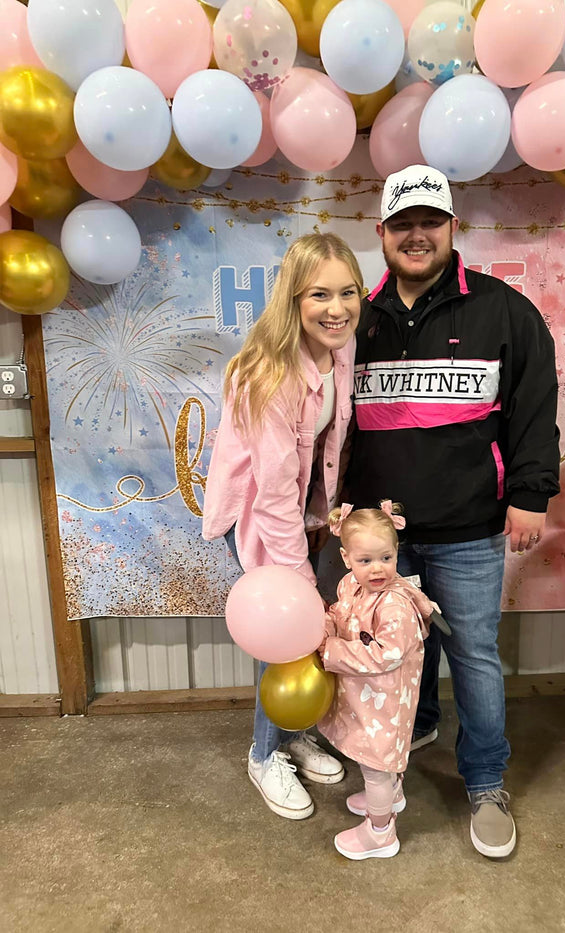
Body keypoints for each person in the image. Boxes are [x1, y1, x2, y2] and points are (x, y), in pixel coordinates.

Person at [345, 164, 561, 858]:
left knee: (472, 652)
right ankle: (415, 730)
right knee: (393, 651)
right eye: (402, 224)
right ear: (380, 233)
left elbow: (534, 407)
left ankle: (486, 780)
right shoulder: (356, 320)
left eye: (429, 222)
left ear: (451, 229)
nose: (417, 235)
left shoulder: (503, 310)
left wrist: (530, 495)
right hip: (381, 538)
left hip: (469, 525)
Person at [202, 232, 364, 820]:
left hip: (301, 513)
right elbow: (270, 489)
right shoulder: (266, 372)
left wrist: (324, 515)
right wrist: (297, 574)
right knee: (288, 634)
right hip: (257, 516)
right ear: (292, 299)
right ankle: (264, 753)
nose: (337, 308)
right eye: (319, 294)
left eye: (348, 293)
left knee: (309, 635)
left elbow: (325, 453)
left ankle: (293, 729)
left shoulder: (337, 352)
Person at [317, 501, 434, 860]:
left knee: (377, 766)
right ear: (346, 557)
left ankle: (380, 832)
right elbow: (340, 613)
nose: (377, 569)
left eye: (386, 558)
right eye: (365, 560)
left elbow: (386, 654)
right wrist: (323, 627)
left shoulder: (394, 606)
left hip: (386, 704)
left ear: (397, 551)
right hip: (366, 696)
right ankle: (391, 795)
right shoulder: (352, 585)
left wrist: (330, 651)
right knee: (374, 761)